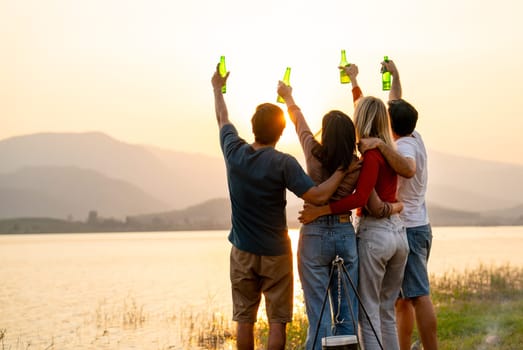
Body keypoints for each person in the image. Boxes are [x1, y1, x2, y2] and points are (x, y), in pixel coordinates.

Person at [211, 64, 350, 350]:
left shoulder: (233, 151)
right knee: (277, 321)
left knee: (245, 320)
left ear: (252, 127)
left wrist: (217, 87)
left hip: (242, 251)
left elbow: (222, 117)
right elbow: (318, 196)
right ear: (281, 131)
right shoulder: (283, 162)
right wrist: (341, 171)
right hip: (275, 252)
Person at [276, 68, 402, 350]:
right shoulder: (358, 162)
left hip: (314, 236)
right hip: (345, 235)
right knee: (346, 318)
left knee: (317, 318)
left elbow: (299, 122)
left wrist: (288, 96)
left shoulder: (312, 151)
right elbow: (361, 195)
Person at [358, 60, 438, 350]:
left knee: (418, 294)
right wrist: (395, 74)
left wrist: (379, 146)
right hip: (413, 227)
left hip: (412, 228)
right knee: (402, 299)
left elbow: (409, 167)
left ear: (391, 124)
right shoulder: (411, 133)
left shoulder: (403, 146)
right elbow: (396, 102)